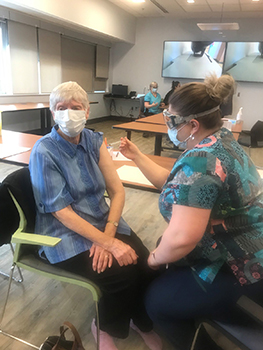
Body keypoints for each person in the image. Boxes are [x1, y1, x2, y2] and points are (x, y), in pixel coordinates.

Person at [119, 74, 263, 350]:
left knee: (157, 303)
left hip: (236, 264)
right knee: (166, 254)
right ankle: (201, 305)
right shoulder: (223, 140)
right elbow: (174, 185)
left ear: (193, 125)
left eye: (172, 120)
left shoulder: (201, 160)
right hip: (250, 242)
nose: (169, 126)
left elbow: (183, 238)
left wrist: (153, 261)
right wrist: (138, 156)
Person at [29, 81, 162, 350]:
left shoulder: (93, 140)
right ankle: (103, 325)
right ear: (53, 113)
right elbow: (61, 212)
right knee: (120, 275)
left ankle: (139, 318)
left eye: (75, 107)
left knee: (146, 264)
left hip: (102, 220)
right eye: (61, 108)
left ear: (87, 111)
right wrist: (108, 243)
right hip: (64, 233)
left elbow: (117, 190)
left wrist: (108, 237)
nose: (68, 113)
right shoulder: (44, 151)